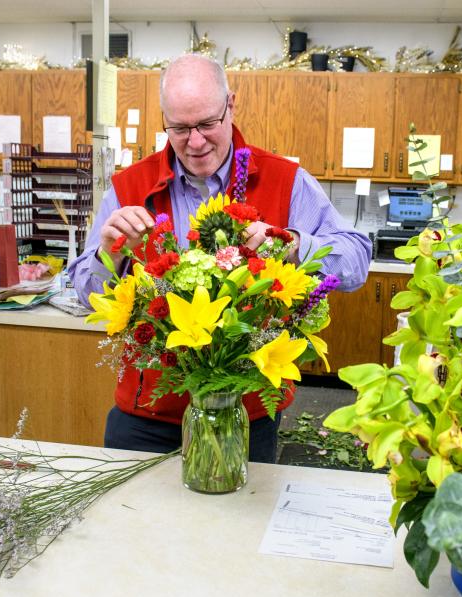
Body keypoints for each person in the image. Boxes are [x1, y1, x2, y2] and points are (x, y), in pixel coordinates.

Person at [70, 53, 371, 463]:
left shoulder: (286, 181)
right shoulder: (129, 187)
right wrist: (109, 253)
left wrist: (294, 245)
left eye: (207, 124)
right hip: (146, 418)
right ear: (164, 120)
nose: (195, 142)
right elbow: (87, 295)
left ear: (231, 104)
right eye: (179, 128)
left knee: (238, 525)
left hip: (244, 417)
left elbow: (356, 258)